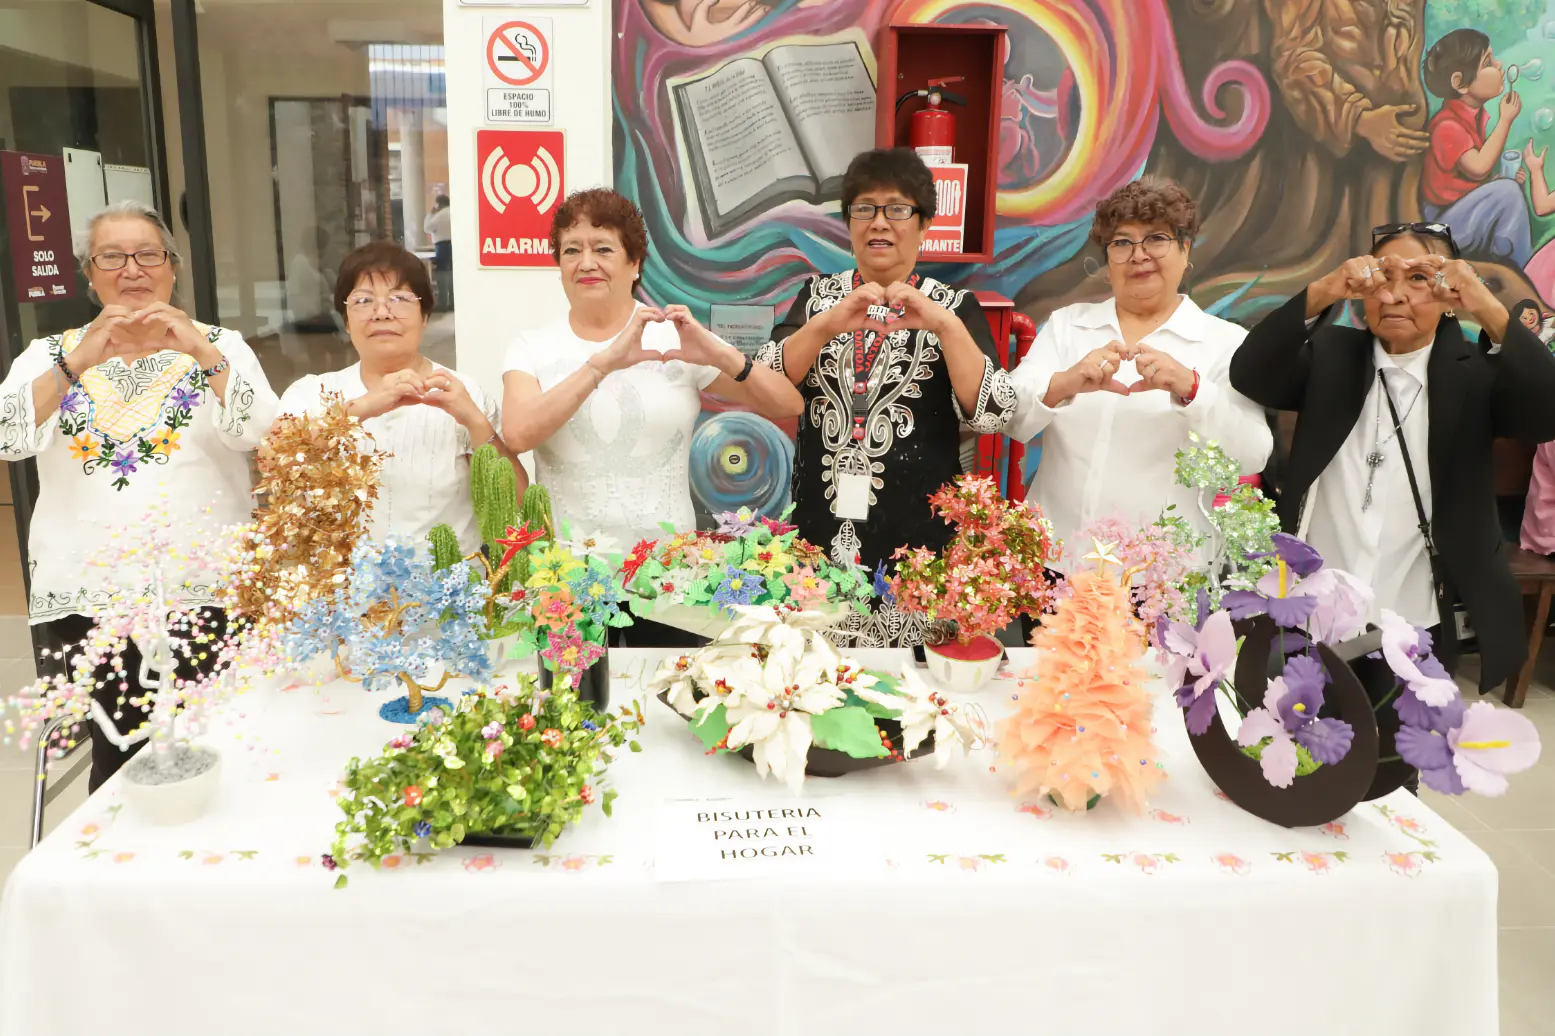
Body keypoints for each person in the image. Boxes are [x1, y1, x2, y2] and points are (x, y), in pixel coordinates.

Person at [0, 200, 278, 788]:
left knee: (220, 745)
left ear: (173, 267)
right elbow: (7, 437)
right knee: (120, 751)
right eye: (112, 256)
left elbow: (268, 434)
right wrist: (76, 363)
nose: (132, 269)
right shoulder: (48, 355)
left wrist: (201, 353)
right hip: (92, 594)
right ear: (89, 273)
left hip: (206, 586)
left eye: (148, 254)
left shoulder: (221, 345)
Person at [1229, 221, 1555, 693]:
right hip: (1312, 608)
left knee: (1402, 736)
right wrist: (1325, 290)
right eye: (1383, 277)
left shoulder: (1476, 374)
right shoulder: (1330, 355)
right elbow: (1250, 373)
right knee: (1300, 731)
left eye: (1419, 278)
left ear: (1450, 294)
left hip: (1414, 613)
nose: (1393, 295)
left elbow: (1546, 413)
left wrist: (1486, 305)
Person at [501, 187, 802, 647]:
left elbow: (786, 404)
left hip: (668, 574)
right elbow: (518, 434)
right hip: (569, 576)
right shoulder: (532, 347)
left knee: (668, 689)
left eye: (604, 249)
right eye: (572, 250)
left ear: (635, 263)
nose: (586, 262)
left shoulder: (672, 338)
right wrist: (601, 365)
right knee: (576, 692)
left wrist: (718, 352)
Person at [755, 148, 1019, 648]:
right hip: (820, 530)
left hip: (919, 546)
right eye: (864, 208)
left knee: (914, 684)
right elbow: (767, 383)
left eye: (897, 209)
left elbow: (993, 412)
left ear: (924, 225)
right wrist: (827, 323)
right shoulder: (817, 299)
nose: (879, 222)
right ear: (849, 223)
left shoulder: (953, 306)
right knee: (818, 676)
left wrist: (943, 326)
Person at [1007, 177, 1272, 559]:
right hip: (1058, 561)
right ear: (1107, 261)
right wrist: (1065, 382)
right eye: (1122, 243)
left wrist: (1193, 389)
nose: (1138, 255)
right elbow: (1011, 417)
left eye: (1156, 239)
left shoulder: (1225, 343)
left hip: (1164, 575)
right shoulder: (1069, 326)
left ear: (1185, 249)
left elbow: (1252, 454)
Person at [279, 241, 517, 553]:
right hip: (343, 582)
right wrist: (365, 407)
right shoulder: (311, 393)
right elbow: (277, 463)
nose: (382, 313)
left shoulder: (462, 392)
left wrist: (475, 422)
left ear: (425, 315)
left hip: (450, 580)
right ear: (346, 320)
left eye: (400, 299)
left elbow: (515, 502)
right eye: (364, 300)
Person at [1419, 29, 1530, 268]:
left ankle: (1506, 266)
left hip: (1456, 214)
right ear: (1460, 83)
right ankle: (1520, 270)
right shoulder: (1447, 126)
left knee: (1508, 190)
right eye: (1488, 62)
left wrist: (1495, 184)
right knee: (1509, 192)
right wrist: (1505, 120)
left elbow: (1466, 178)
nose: (1499, 65)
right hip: (1441, 226)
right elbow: (1478, 168)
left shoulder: (1470, 117)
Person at [424, 196, 454, 312]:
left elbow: (427, 228)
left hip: (442, 246)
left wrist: (430, 214)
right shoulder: (453, 212)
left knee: (442, 273)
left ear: (438, 204)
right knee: (452, 273)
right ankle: (453, 302)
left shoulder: (439, 215)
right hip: (454, 245)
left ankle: (443, 302)